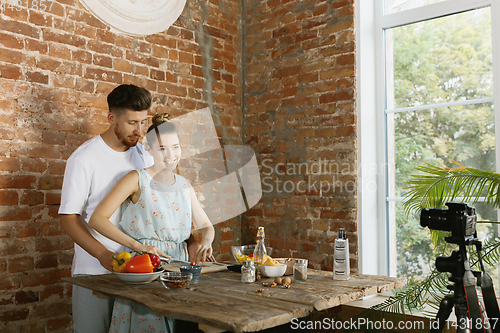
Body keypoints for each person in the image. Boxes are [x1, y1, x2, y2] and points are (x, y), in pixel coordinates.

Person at [58, 85, 209, 333]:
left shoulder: (146, 154)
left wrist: (190, 240)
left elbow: (163, 206)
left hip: (143, 272)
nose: (139, 131)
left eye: (143, 121)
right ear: (111, 118)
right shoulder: (84, 159)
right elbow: (68, 218)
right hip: (97, 270)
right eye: (131, 123)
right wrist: (103, 254)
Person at [88, 113, 215, 333]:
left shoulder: (185, 185)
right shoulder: (136, 178)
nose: (170, 155)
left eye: (175, 147)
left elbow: (206, 225)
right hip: (145, 268)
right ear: (149, 150)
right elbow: (96, 219)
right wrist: (138, 246)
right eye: (162, 149)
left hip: (180, 269)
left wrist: (206, 241)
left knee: (182, 325)